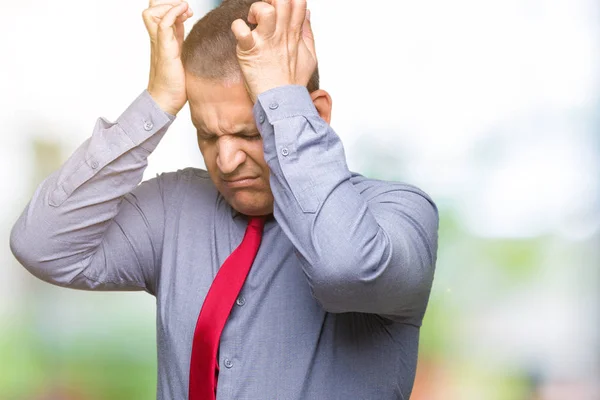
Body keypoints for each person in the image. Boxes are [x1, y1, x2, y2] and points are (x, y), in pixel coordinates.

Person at [10, 0, 439, 399]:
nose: (228, 161)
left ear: (317, 115)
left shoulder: (397, 213)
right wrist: (157, 103)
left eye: (251, 133)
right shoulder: (175, 206)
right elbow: (43, 246)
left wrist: (284, 105)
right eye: (208, 135)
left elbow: (345, 270)